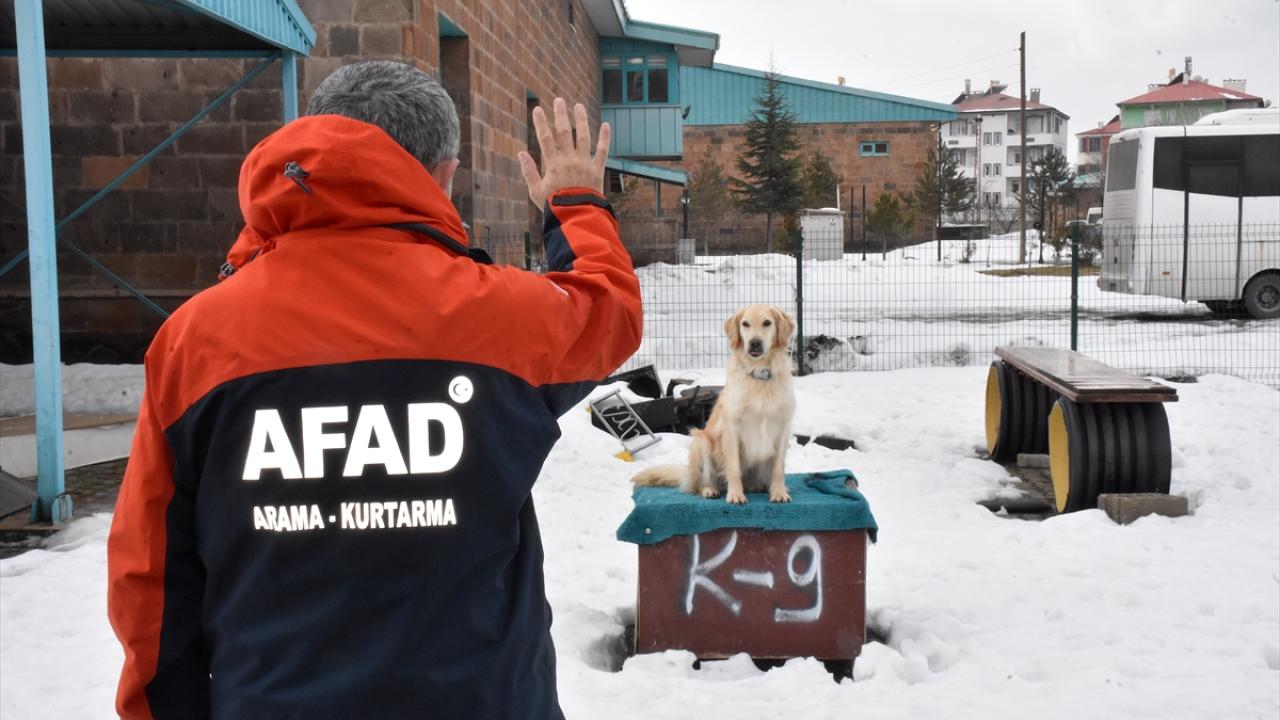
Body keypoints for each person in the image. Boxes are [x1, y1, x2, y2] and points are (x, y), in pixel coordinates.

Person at [107, 60, 641, 719]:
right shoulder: (504, 319)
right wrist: (575, 205)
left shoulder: (195, 341)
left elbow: (152, 575)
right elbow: (608, 311)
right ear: (444, 174)